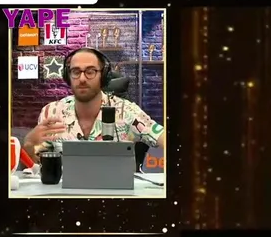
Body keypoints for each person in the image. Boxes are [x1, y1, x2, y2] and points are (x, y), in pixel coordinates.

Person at [21, 47, 167, 161]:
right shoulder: (52, 112)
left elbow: (164, 139)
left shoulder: (126, 110)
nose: (82, 79)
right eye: (76, 71)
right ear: (68, 76)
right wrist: (28, 144)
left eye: (90, 71)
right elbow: (37, 167)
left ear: (103, 76)